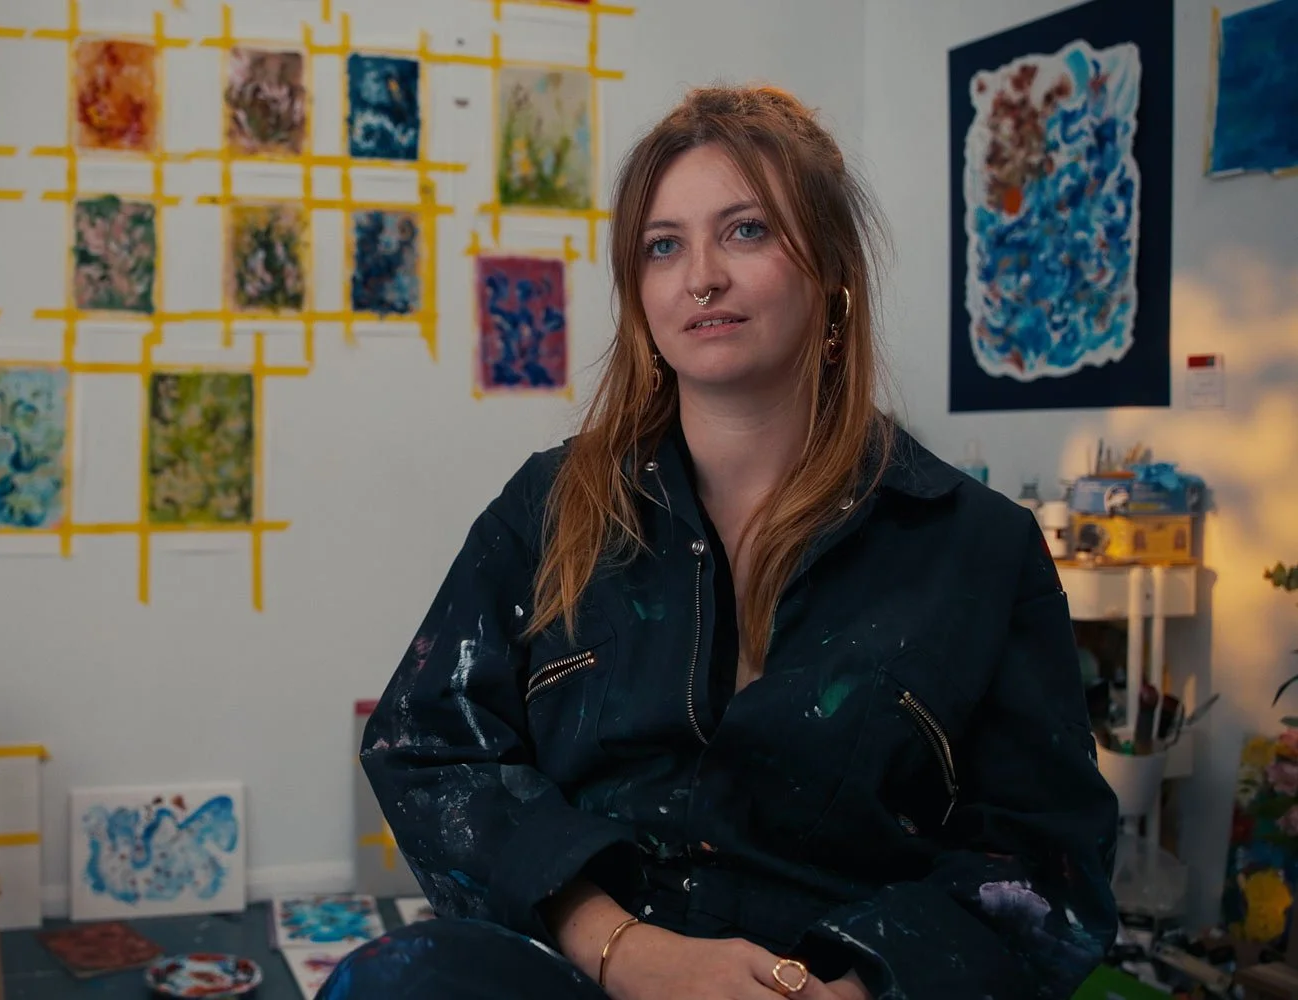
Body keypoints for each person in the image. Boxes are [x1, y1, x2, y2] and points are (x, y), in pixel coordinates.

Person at [322, 84, 1119, 1000]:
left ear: (831, 270)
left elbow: (1048, 865)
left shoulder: (979, 550)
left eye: (746, 231)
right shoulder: (549, 507)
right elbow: (424, 747)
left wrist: (855, 987)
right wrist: (622, 947)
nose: (702, 275)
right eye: (664, 246)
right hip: (588, 971)